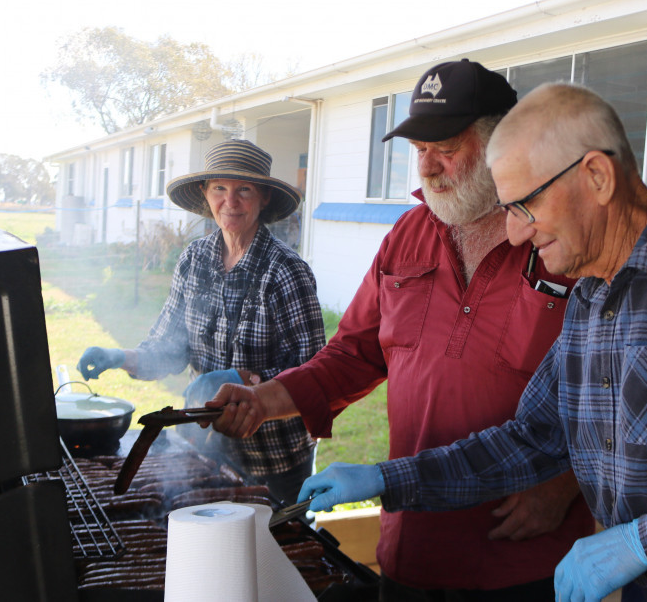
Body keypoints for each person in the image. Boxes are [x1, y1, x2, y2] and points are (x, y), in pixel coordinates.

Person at [294, 82, 647, 601]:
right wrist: (385, 479)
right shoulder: (592, 297)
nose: (517, 229)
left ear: (597, 176)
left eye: (526, 204)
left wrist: (645, 542)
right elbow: (533, 439)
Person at [205, 60, 595, 601]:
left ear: (503, 146)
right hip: (413, 542)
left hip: (525, 553)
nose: (429, 168)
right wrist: (263, 400)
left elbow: (617, 390)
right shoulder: (408, 235)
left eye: (447, 148)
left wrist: (567, 484)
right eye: (419, 151)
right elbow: (354, 353)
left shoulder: (560, 244)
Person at [76, 139, 326, 507]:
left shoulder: (286, 270)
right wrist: (121, 357)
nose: (231, 201)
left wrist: (244, 378)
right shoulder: (193, 259)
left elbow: (314, 377)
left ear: (264, 198)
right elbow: (168, 348)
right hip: (209, 450)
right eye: (219, 188)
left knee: (273, 557)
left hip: (275, 461)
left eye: (244, 189)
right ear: (204, 194)